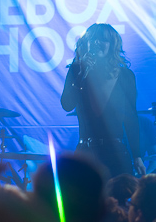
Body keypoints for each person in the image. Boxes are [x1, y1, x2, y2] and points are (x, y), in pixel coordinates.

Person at [60, 23, 145, 178]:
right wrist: (80, 75)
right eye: (93, 39)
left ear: (112, 45)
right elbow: (66, 105)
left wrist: (137, 155)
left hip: (116, 152)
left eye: (103, 40)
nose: (97, 43)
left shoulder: (126, 76)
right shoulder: (76, 70)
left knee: (118, 199)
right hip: (86, 151)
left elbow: (131, 118)